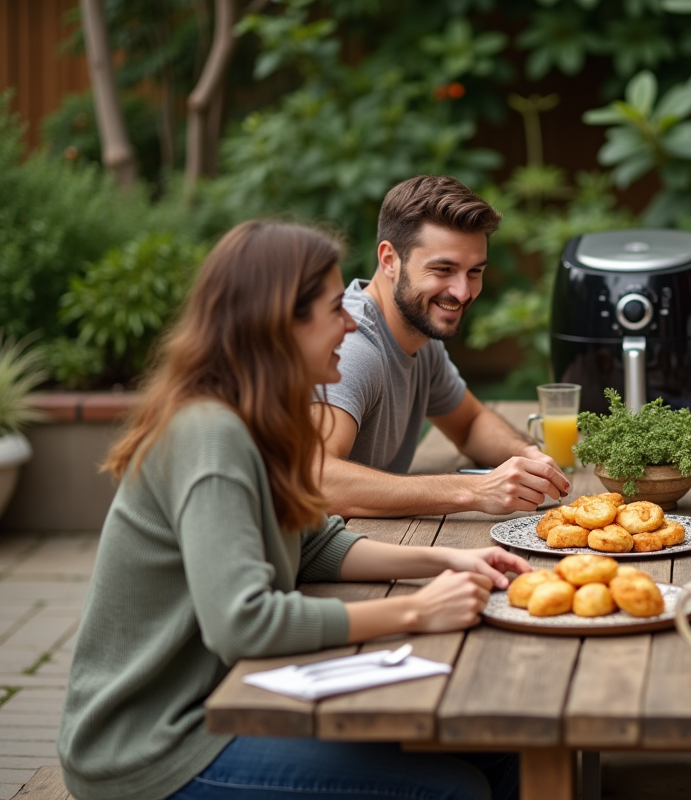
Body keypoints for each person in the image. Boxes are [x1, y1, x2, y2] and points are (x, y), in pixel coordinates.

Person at [57, 221, 530, 800]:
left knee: (498, 742)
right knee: (453, 790)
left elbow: (316, 544)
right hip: (156, 747)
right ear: (277, 323)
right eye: (334, 309)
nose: (352, 322)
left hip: (230, 701)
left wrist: (448, 563)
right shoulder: (210, 435)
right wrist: (414, 613)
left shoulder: (261, 420)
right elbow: (244, 624)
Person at [313, 175, 570, 519]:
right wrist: (475, 490)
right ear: (389, 259)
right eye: (444, 269)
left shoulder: (420, 334)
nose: (463, 292)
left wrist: (525, 456)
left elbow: (469, 424)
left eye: (474, 271)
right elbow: (316, 481)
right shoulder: (352, 349)